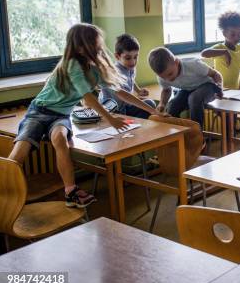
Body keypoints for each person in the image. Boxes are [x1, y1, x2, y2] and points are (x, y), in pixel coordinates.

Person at [9, 24, 160, 208]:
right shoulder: (72, 64)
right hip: (39, 111)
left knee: (60, 140)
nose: (98, 47)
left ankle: (70, 191)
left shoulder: (97, 67)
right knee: (18, 155)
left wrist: (153, 110)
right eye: (93, 43)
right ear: (80, 47)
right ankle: (6, 196)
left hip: (61, 115)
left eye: (98, 43)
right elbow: (88, 99)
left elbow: (120, 92)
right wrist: (111, 119)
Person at [148, 47, 223, 128]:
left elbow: (215, 74)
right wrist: (162, 103)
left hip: (209, 87)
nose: (168, 79)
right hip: (187, 90)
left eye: (170, 74)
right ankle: (177, 134)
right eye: (163, 77)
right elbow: (166, 90)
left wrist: (220, 87)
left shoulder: (193, 64)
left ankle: (197, 134)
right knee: (172, 105)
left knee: (194, 98)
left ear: (176, 62)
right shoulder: (162, 76)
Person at [99, 34, 156, 118]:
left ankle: (135, 123)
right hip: (112, 110)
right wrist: (153, 111)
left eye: (135, 57)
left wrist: (138, 90)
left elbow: (131, 79)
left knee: (150, 103)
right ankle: (133, 124)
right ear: (117, 56)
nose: (133, 62)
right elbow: (123, 94)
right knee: (148, 108)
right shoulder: (115, 72)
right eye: (128, 58)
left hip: (124, 106)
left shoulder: (130, 67)